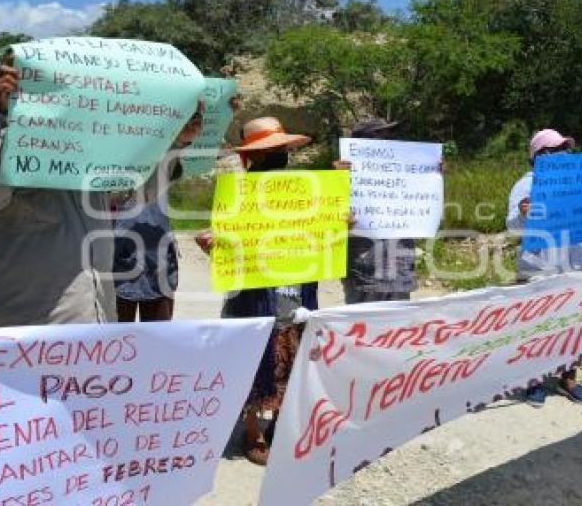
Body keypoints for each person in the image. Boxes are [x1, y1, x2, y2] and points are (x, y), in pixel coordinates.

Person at [0, 53, 201, 327]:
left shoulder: (88, 157)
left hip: (95, 330)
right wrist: (3, 120)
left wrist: (177, 143)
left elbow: (135, 193)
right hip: (30, 332)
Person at [195, 116, 315, 466]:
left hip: (294, 286)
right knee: (254, 352)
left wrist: (338, 222)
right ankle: (252, 431)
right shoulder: (238, 196)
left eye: (280, 150)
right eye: (269, 151)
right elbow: (226, 239)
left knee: (292, 349)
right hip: (253, 290)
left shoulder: (307, 190)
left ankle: (281, 423)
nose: (277, 156)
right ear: (253, 158)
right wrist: (212, 244)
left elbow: (322, 231)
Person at [506, 128, 582, 407]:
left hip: (574, 266)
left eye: (565, 149)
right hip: (539, 268)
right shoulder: (527, 184)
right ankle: (532, 381)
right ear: (539, 156)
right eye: (556, 150)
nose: (563, 155)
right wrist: (522, 213)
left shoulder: (578, 185)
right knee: (536, 326)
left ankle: (568, 378)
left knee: (573, 325)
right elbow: (512, 227)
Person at [111, 105, 203, 322]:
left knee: (157, 338)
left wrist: (183, 138)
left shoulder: (160, 155)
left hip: (157, 259)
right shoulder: (106, 155)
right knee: (115, 341)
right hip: (115, 259)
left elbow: (169, 172)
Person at [334, 118, 418, 304]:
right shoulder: (338, 177)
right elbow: (327, 221)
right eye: (379, 136)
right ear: (359, 144)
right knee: (363, 327)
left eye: (389, 136)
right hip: (365, 270)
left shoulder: (406, 172)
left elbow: (425, 201)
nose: (387, 142)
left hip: (400, 265)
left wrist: (433, 172)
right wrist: (337, 180)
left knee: (398, 327)